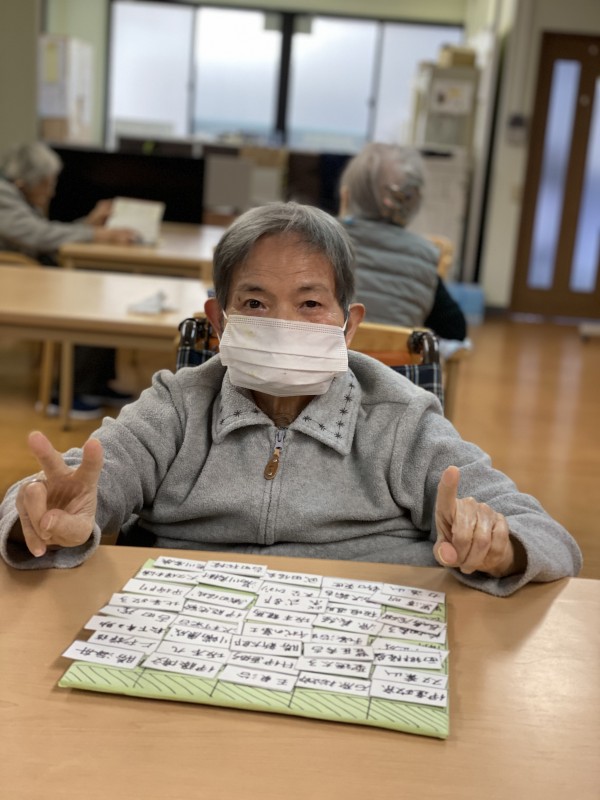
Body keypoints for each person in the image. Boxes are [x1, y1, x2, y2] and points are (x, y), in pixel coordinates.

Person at [0, 202, 581, 597]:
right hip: (194, 632)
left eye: (310, 304)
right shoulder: (177, 406)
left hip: (358, 644)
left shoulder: (401, 417)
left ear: (349, 325)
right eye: (255, 303)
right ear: (218, 321)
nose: (284, 324)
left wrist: (501, 547)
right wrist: (41, 516)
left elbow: (548, 537)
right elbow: (71, 487)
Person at [0, 142, 138, 418]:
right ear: (24, 181)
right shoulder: (3, 196)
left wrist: (89, 224)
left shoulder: (17, 196)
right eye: (46, 183)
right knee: (88, 299)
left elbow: (43, 233)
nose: (51, 191)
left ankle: (96, 383)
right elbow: (38, 236)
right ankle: (69, 393)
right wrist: (96, 234)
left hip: (30, 277)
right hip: (16, 283)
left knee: (99, 289)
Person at [339, 143, 467, 341]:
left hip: (329, 358)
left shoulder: (323, 240)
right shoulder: (423, 256)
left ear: (349, 193)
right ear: (413, 201)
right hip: (392, 361)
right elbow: (456, 330)